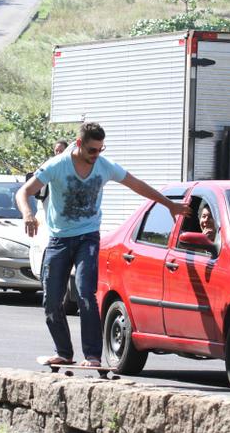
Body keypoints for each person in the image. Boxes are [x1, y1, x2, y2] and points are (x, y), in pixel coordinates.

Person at [16, 122, 191, 367]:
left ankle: (92, 356)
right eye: (92, 150)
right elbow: (23, 192)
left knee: (86, 293)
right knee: (52, 299)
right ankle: (64, 352)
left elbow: (137, 184)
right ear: (79, 144)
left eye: (100, 149)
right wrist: (28, 214)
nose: (96, 155)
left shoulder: (104, 166)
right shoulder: (57, 165)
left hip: (88, 236)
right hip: (59, 239)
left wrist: (168, 204)